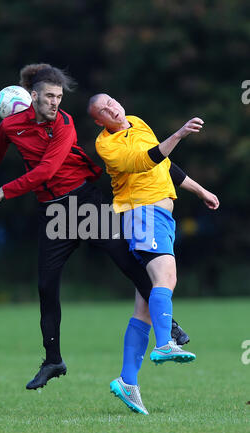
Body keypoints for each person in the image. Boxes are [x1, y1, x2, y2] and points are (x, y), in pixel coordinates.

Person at [0, 63, 188, 395]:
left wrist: (4, 190)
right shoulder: (11, 126)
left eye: (59, 97)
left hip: (84, 203)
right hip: (54, 213)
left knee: (127, 262)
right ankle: (53, 360)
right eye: (50, 97)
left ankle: (168, 325)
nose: (56, 103)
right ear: (33, 97)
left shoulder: (65, 124)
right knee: (46, 285)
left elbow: (46, 170)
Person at [88, 93, 219, 414]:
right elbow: (145, 160)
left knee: (144, 306)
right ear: (98, 121)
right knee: (167, 277)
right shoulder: (107, 146)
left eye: (112, 102)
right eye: (103, 110)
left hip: (159, 215)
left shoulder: (137, 122)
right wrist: (179, 134)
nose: (112, 108)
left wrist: (201, 190)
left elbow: (164, 164)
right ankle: (164, 345)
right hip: (142, 213)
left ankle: (127, 381)